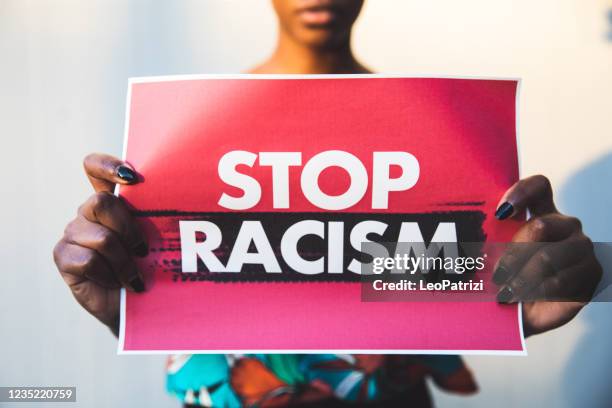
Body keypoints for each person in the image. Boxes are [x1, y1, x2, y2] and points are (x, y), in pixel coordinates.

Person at [53, 0, 602, 406]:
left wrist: (507, 299)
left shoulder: (436, 129)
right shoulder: (181, 129)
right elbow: (181, 278)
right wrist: (126, 297)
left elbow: (403, 274)